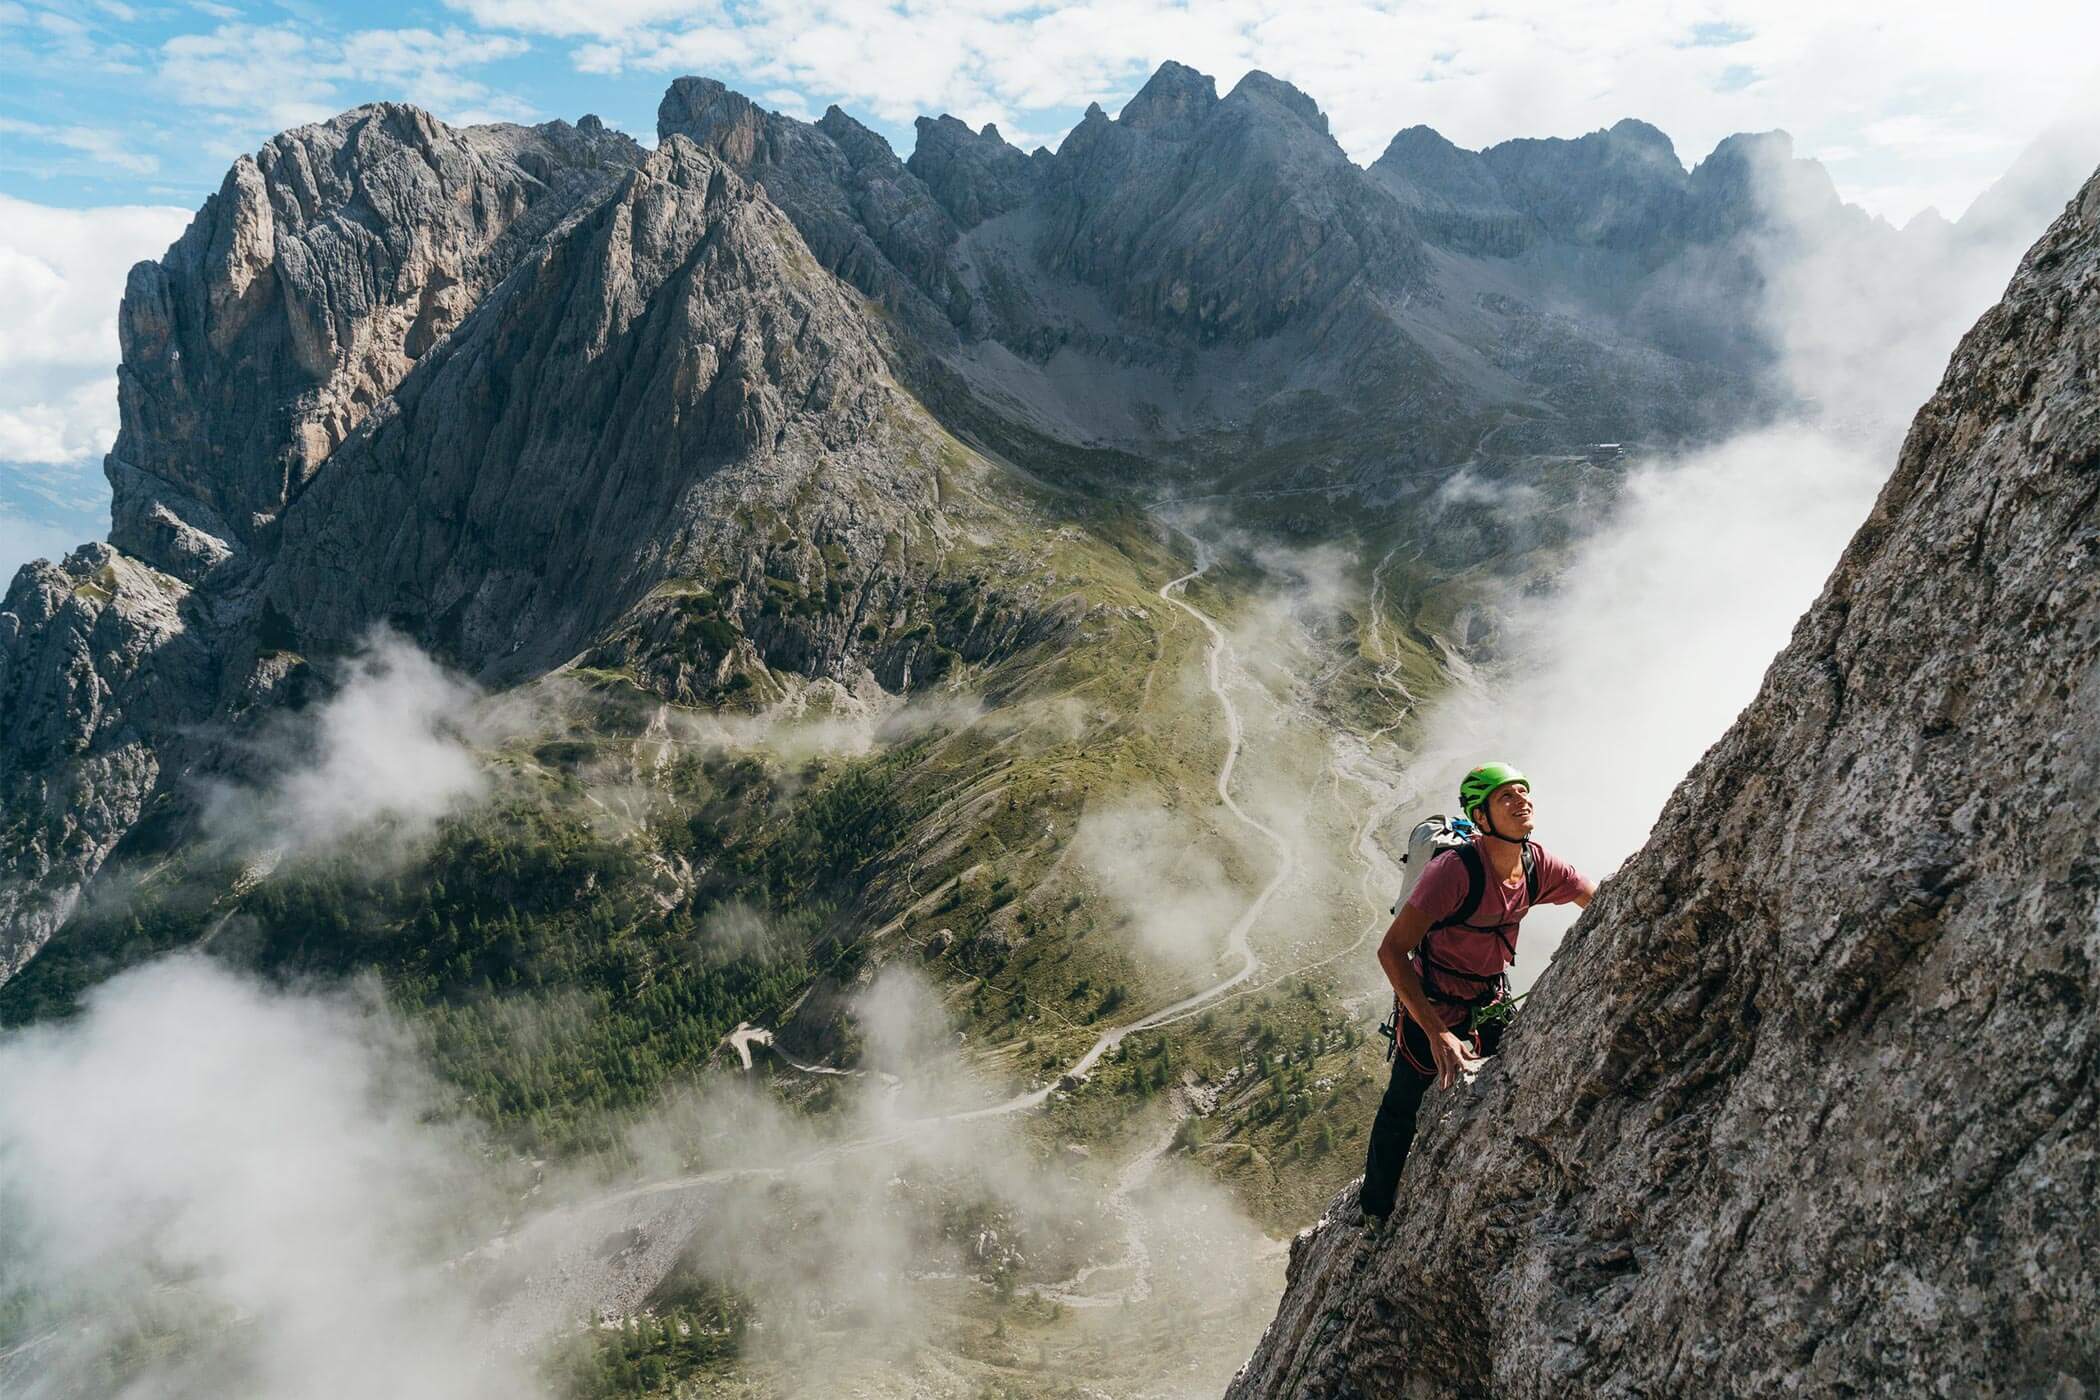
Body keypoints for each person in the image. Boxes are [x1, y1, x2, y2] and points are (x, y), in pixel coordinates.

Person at [1357, 762, 1595, 1222]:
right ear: (1481, 818)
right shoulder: (1453, 873)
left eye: (1524, 791)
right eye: (1505, 796)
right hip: (1434, 1004)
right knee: (1401, 1110)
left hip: (1488, 1002)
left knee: (1513, 1087)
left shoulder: (1536, 864)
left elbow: (1595, 898)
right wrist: (1436, 1033)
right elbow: (1392, 952)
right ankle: (1373, 1215)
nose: (1521, 800)